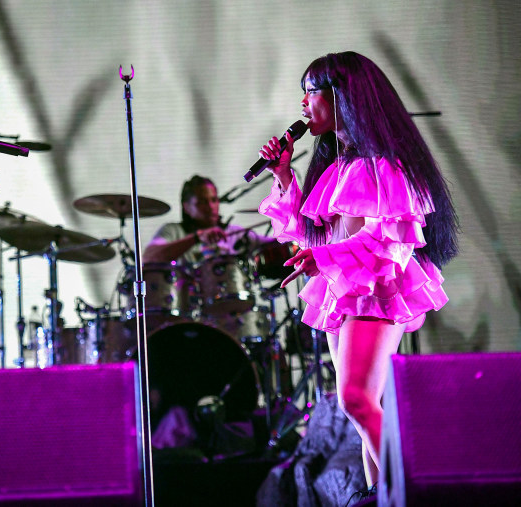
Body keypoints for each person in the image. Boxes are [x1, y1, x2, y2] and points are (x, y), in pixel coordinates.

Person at [258, 52, 458, 489]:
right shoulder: (336, 167)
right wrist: (284, 174)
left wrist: (322, 259)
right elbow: (308, 233)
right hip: (342, 291)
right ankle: (377, 496)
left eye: (312, 91)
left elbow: (386, 243)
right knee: (366, 406)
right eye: (304, 93)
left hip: (377, 291)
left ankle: (408, 493)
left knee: (357, 400)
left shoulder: (382, 166)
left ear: (342, 95)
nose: (304, 103)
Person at [143, 174, 266, 264]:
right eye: (202, 202)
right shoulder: (173, 231)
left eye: (214, 200)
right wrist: (197, 237)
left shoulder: (235, 233)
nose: (210, 206)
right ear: (186, 207)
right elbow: (148, 257)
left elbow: (274, 245)